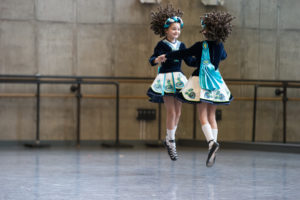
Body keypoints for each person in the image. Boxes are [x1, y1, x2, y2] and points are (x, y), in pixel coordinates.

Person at [158, 11, 234, 167]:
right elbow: (224, 56)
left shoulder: (201, 46)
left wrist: (168, 55)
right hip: (216, 82)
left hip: (201, 80)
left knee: (202, 114)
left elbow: (184, 53)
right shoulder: (220, 46)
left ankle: (211, 142)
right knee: (212, 114)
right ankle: (213, 144)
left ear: (207, 30)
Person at [147, 4, 196, 161]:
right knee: (172, 111)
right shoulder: (161, 45)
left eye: (178, 29)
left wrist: (202, 62)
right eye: (174, 29)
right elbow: (151, 60)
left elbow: (189, 60)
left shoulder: (181, 45)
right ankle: (171, 141)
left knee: (179, 112)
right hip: (166, 78)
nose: (176, 31)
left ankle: (169, 138)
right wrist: (158, 59)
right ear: (166, 30)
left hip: (179, 78)